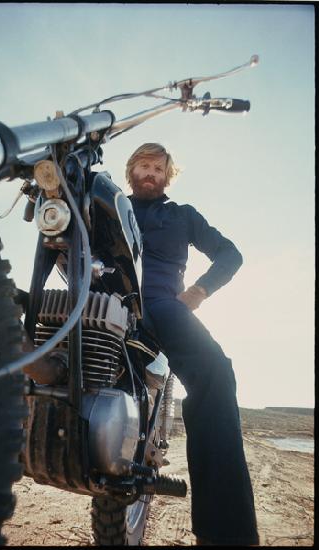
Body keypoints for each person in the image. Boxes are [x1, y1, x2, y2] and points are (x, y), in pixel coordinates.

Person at [126, 142, 259, 546]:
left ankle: (225, 532)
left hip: (164, 306)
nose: (150, 173)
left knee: (217, 373)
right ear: (131, 171)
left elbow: (230, 255)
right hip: (106, 299)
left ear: (168, 175)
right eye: (144, 166)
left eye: (158, 168)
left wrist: (199, 292)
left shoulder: (182, 216)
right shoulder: (109, 204)